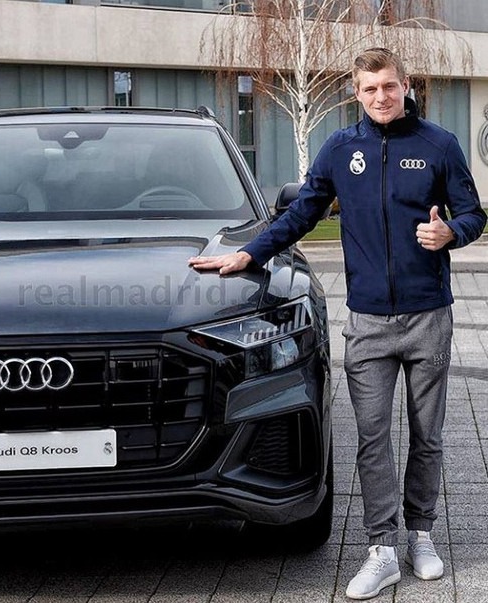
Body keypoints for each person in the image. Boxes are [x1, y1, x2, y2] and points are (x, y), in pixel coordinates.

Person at [189, 47, 487, 600]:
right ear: (356, 92)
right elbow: (302, 213)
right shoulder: (339, 148)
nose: (381, 97)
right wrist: (249, 254)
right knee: (372, 437)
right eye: (370, 89)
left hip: (429, 315)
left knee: (427, 435)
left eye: (389, 86)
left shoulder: (439, 145)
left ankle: (421, 534)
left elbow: (474, 213)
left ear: (405, 85)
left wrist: (452, 233)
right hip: (368, 321)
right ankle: (382, 548)